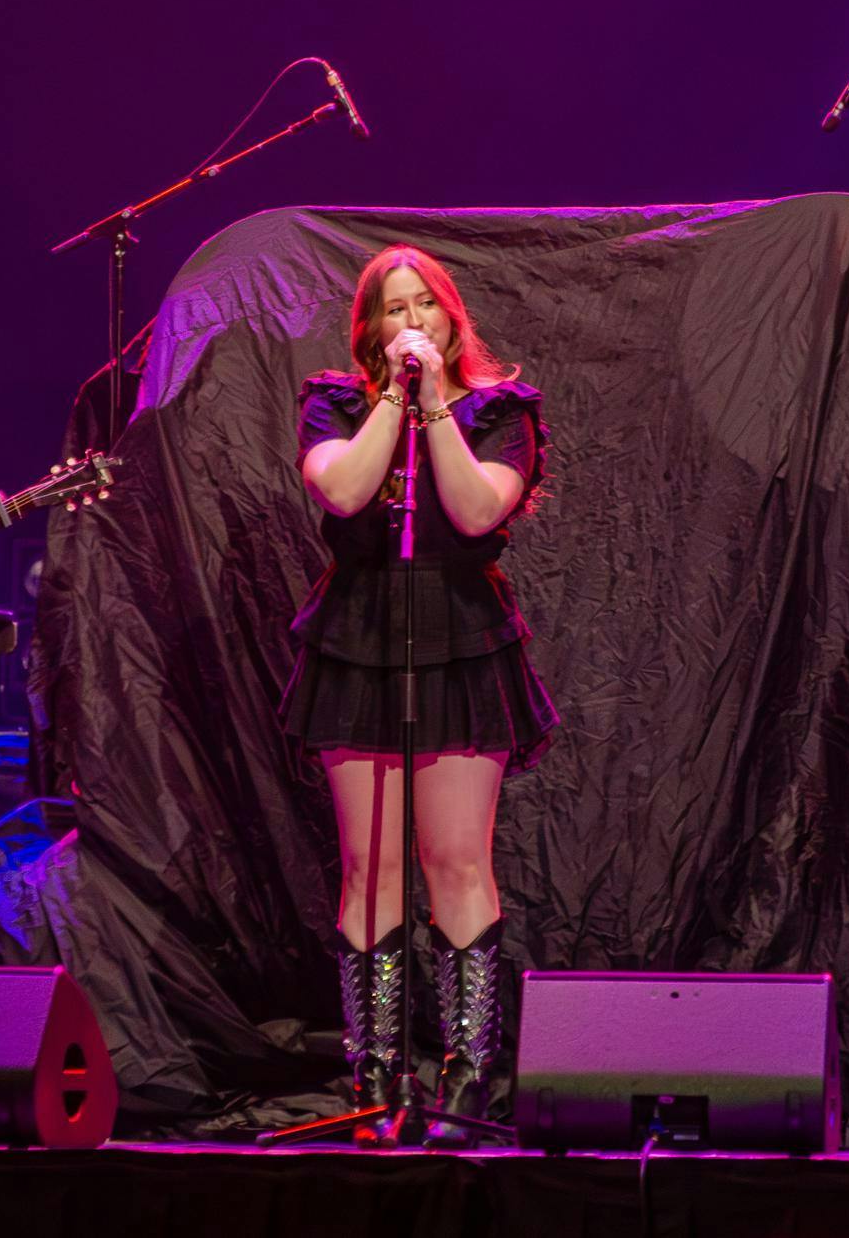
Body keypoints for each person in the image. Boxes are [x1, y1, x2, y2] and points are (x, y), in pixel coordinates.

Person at [280, 244, 557, 1146]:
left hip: (461, 636)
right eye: (393, 309)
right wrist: (394, 401)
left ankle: (467, 1077)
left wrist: (434, 400)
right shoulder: (336, 404)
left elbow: (476, 511)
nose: (411, 322)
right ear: (371, 329)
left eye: (423, 306)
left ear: (450, 317)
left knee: (456, 862)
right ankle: (373, 1072)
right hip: (360, 634)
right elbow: (345, 491)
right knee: (371, 870)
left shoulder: (501, 410)